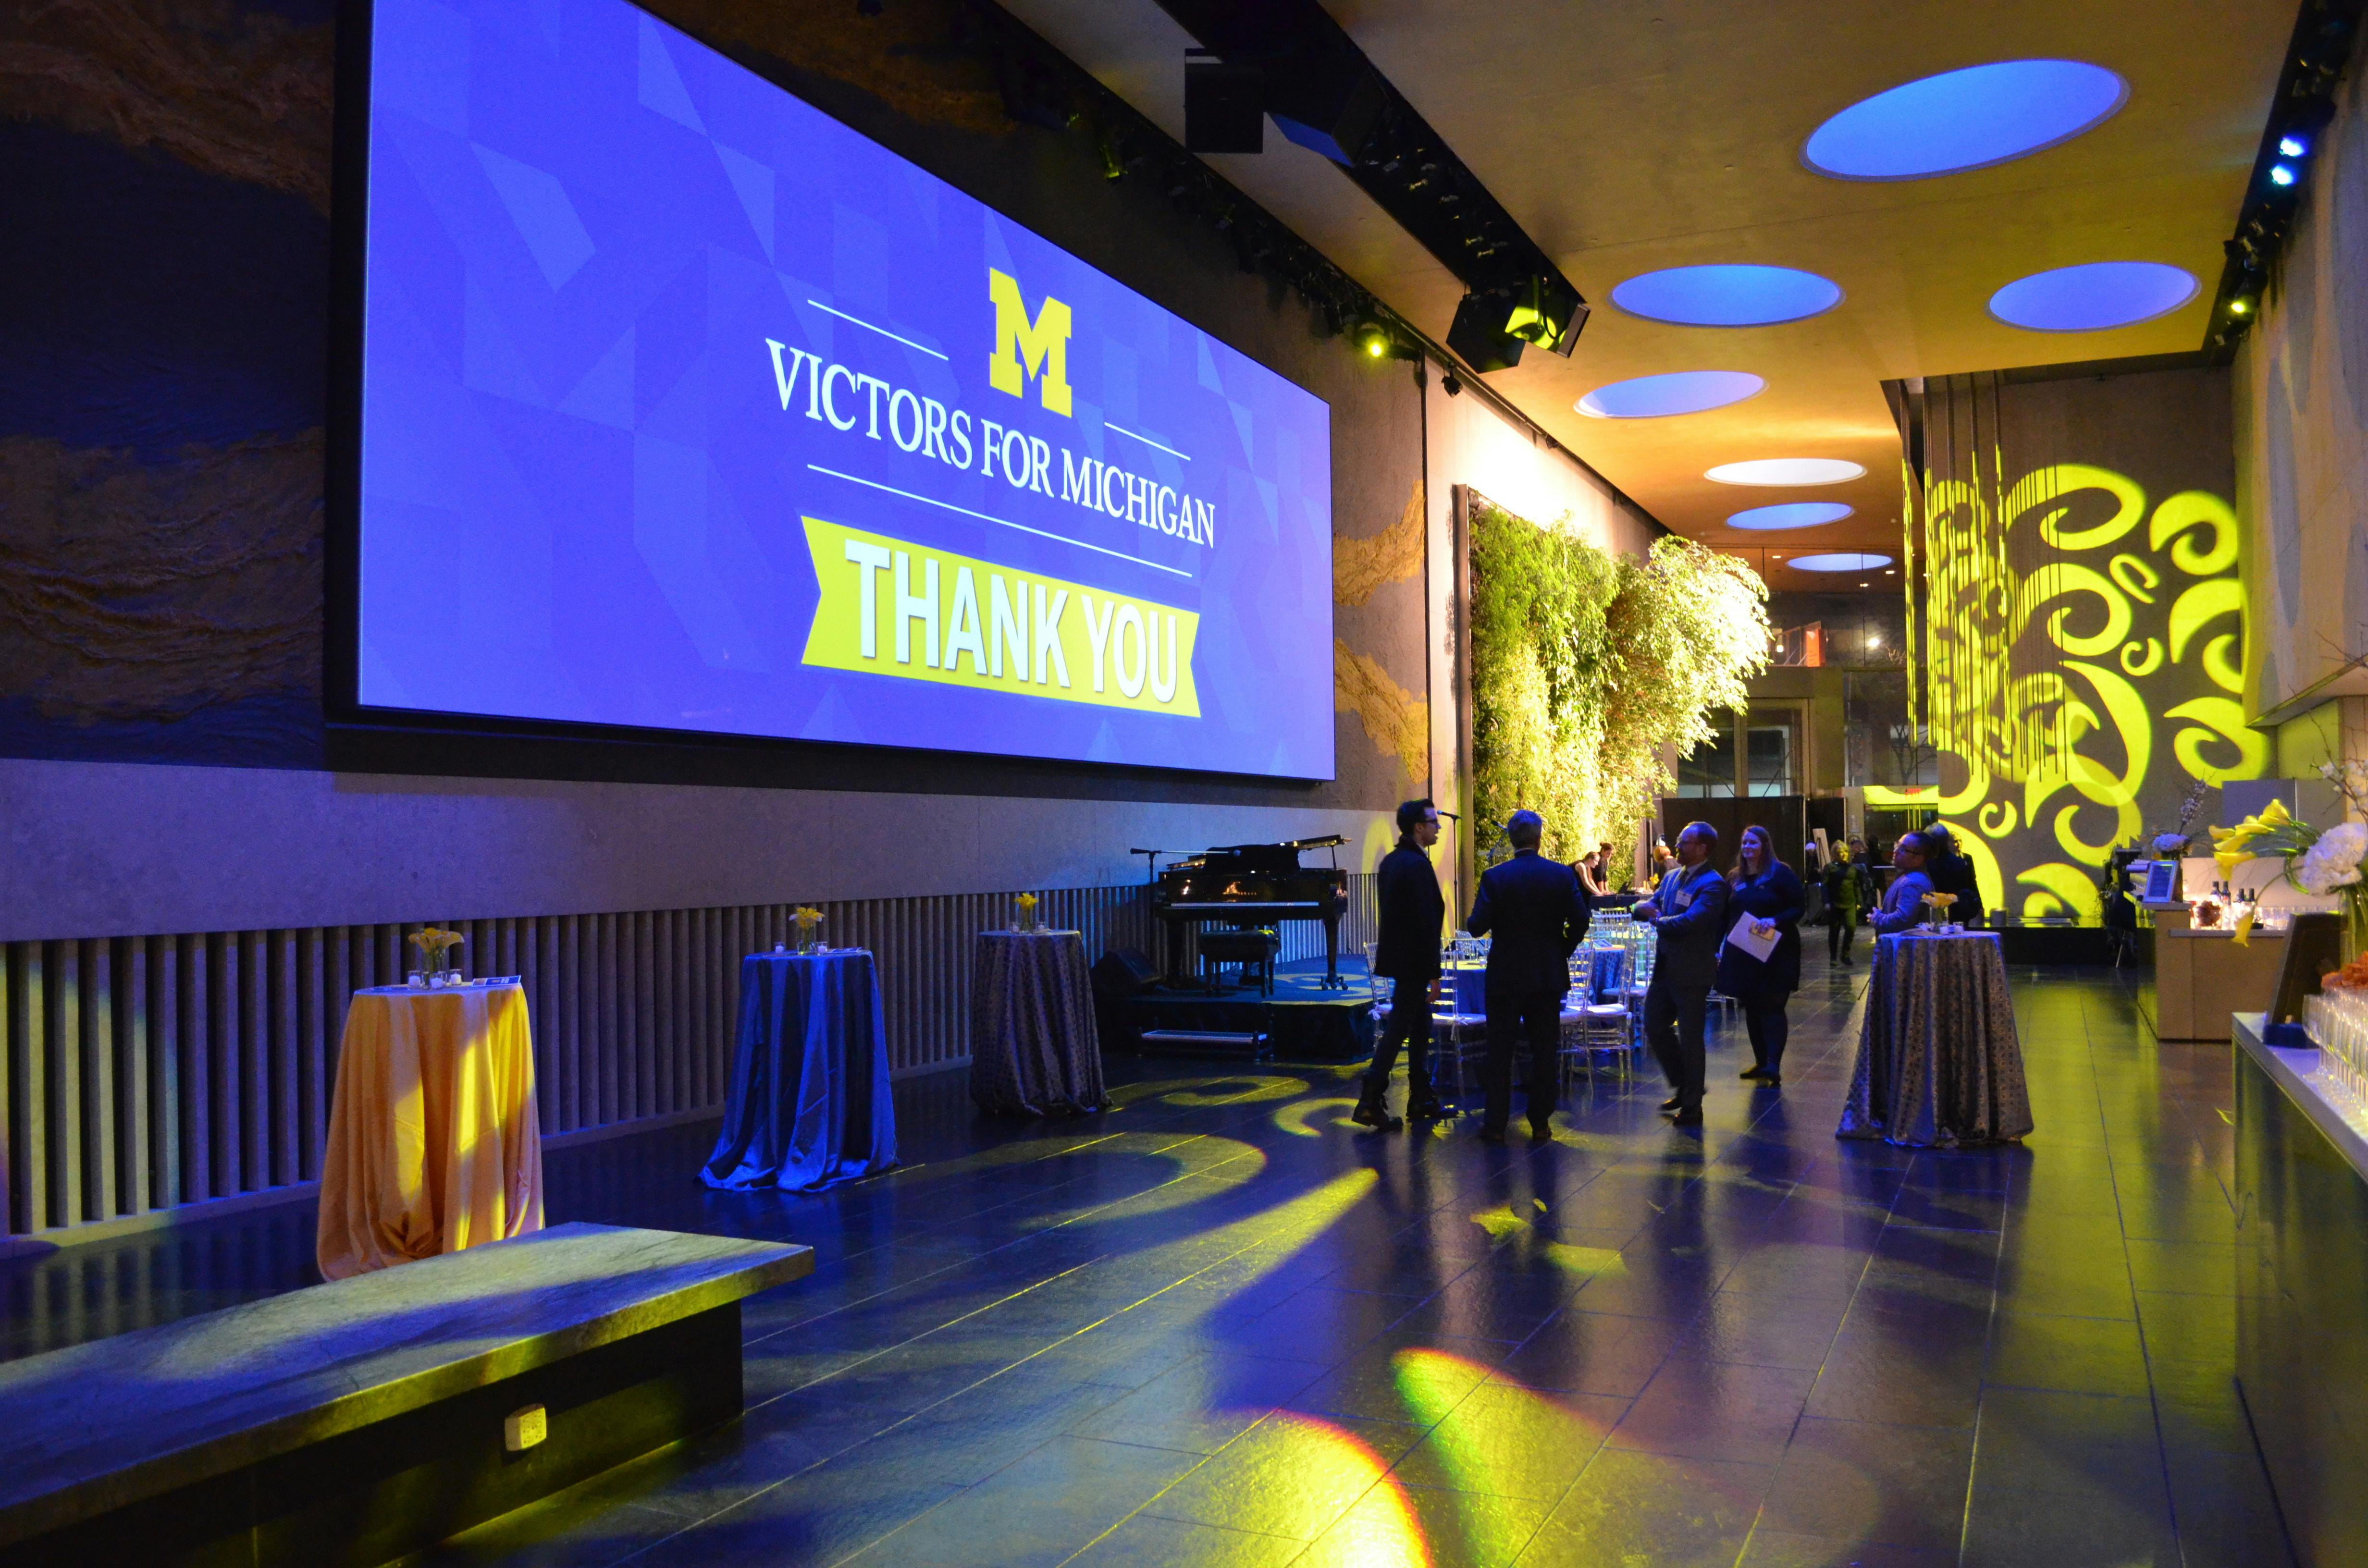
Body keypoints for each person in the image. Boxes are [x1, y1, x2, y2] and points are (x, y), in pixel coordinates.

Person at [1466, 810, 1589, 1143]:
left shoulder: (1496, 877)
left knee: (1500, 1051)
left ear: (1510, 839)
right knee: (1544, 1050)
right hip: (1546, 976)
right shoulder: (1561, 876)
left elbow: (1476, 927)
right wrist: (1561, 950)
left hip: (1505, 976)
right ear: (1539, 838)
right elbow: (1581, 921)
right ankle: (1540, 1122)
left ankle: (1495, 1124)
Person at [1356, 798, 1446, 1130]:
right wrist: (1434, 975)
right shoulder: (1416, 865)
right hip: (1415, 962)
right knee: (1398, 1032)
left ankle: (1421, 1097)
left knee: (1420, 1025)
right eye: (1433, 822)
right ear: (1418, 828)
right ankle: (1369, 1099)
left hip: (1401, 959)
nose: (1438, 827)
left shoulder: (1393, 862)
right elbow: (1426, 922)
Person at [1633, 821, 1729, 1126]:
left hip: (1692, 973)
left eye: (1684, 842)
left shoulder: (1713, 884)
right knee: (1654, 1025)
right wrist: (1641, 908)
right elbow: (1646, 907)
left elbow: (1693, 921)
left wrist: (1659, 920)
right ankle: (1686, 1085)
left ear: (1702, 848)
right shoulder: (1673, 877)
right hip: (1665, 969)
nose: (1677, 847)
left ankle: (1691, 1109)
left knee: (1690, 1039)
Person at [1718, 826, 1804, 1084]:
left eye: (1753, 843)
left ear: (1765, 846)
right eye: (1745, 843)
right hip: (1745, 951)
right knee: (1753, 1007)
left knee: (1773, 1006)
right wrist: (1717, 947)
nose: (1748, 848)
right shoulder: (1735, 877)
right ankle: (1760, 1061)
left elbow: (1799, 907)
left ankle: (1774, 1066)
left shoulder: (1781, 873)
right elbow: (1726, 914)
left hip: (1777, 950)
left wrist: (1775, 920)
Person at [1921, 823, 1986, 926]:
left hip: (1934, 917)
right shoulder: (1960, 863)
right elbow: (1971, 885)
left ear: (1932, 843)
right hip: (1959, 916)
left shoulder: (1927, 864)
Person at [1871, 832, 1936, 934]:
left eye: (1903, 849)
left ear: (1919, 858)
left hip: (1906, 948)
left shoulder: (1913, 882)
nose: (1895, 851)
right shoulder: (1909, 877)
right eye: (1897, 846)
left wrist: (1876, 918)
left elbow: (1901, 921)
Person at [1823, 844, 1872, 965]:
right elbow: (1825, 887)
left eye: (1845, 852)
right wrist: (1827, 902)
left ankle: (1846, 954)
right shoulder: (1830, 868)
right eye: (1840, 852)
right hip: (1835, 904)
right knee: (1834, 931)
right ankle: (1833, 957)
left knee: (1851, 927)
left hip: (1850, 903)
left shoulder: (1852, 868)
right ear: (1835, 854)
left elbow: (1856, 886)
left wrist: (1859, 902)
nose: (1844, 854)